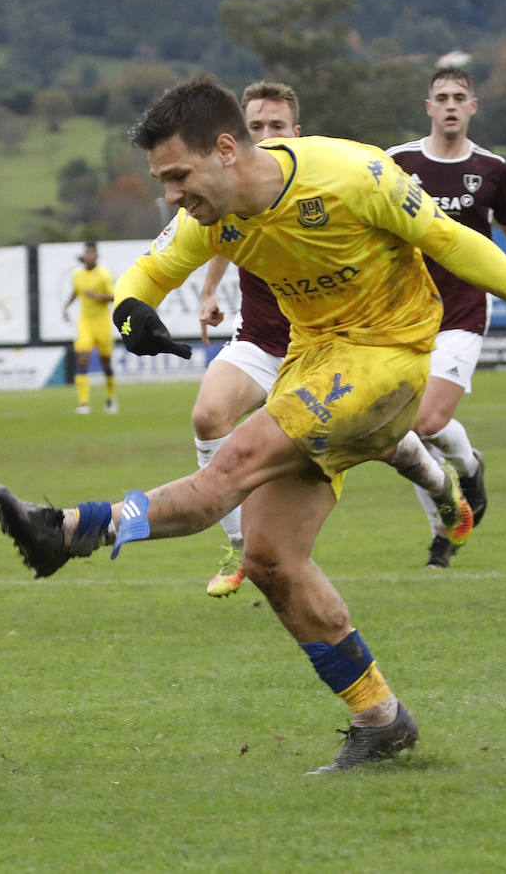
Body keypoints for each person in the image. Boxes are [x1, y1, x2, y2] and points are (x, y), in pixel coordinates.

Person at [0, 75, 506, 774]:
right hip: (314, 364)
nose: (171, 195)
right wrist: (132, 314)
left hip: (387, 359)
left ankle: (68, 531)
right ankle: (381, 718)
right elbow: (148, 273)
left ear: (225, 150)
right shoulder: (208, 217)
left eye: (179, 175)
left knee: (232, 468)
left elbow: (448, 239)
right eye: (162, 181)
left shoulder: (354, 173)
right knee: (272, 558)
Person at [195, 82, 473, 598]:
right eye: (254, 127)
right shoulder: (227, 189)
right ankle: (237, 548)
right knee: (208, 414)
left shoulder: (323, 183)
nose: (265, 135)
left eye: (276, 126)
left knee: (390, 446)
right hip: (262, 339)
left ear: (296, 133)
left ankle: (443, 489)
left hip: (336, 349)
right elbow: (217, 232)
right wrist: (210, 290)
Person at [386, 67, 506, 570]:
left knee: (429, 421)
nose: (451, 104)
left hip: (462, 312)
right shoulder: (398, 163)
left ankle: (468, 466)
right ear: (427, 106)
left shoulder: (492, 169)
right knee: (401, 436)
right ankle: (443, 530)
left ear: (473, 106)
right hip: (402, 317)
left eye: (460, 97)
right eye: (442, 97)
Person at [61, 240, 118, 414]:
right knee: (83, 359)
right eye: (87, 253)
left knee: (105, 363)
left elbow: (114, 296)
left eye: (93, 253)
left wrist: (97, 296)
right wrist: (66, 306)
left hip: (102, 323)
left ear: (97, 256)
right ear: (84, 256)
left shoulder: (104, 275)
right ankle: (83, 403)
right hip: (85, 323)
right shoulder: (77, 275)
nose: (90, 256)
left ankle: (110, 398)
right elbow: (76, 291)